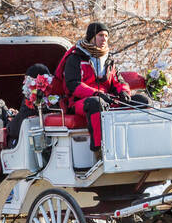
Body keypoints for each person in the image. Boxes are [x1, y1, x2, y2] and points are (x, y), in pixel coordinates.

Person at [59, 22, 151, 152]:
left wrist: (124, 92)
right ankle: (100, 148)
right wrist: (96, 93)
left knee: (142, 101)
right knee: (96, 103)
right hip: (81, 102)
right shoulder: (75, 57)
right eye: (100, 35)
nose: (104, 39)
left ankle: (140, 144)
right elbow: (73, 85)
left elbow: (118, 81)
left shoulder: (108, 59)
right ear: (92, 37)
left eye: (106, 36)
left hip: (107, 99)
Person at [5, 63, 51, 148]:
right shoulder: (53, 99)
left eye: (26, 79)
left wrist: (9, 122)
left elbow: (14, 130)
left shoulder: (33, 99)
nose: (23, 82)